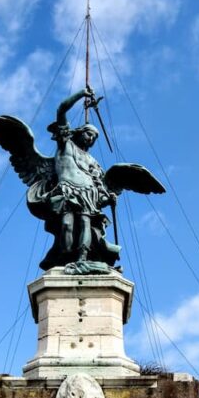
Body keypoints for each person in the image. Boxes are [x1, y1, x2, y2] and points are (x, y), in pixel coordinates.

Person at [44, 87, 116, 265]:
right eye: (89, 134)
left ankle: (82, 259)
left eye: (94, 137)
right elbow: (61, 109)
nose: (91, 138)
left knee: (86, 224)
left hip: (87, 194)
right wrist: (81, 94)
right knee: (67, 225)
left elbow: (100, 188)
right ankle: (66, 257)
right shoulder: (65, 144)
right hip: (67, 191)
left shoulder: (92, 161)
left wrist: (109, 197)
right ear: (80, 131)